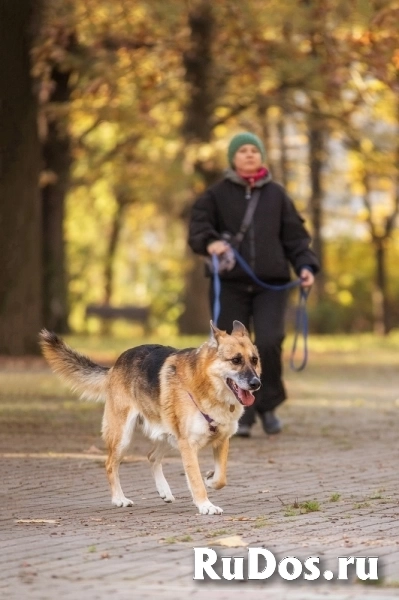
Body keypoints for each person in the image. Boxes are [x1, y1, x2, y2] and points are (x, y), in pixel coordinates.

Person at [187, 131, 320, 437]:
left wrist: (305, 266)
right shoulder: (215, 195)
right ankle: (239, 413)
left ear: (261, 157)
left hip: (269, 284)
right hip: (230, 284)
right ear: (233, 157)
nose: (249, 154)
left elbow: (296, 237)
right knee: (228, 352)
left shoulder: (277, 195)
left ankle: (268, 404)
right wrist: (210, 243)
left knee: (269, 341)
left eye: (254, 150)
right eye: (243, 150)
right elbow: (198, 229)